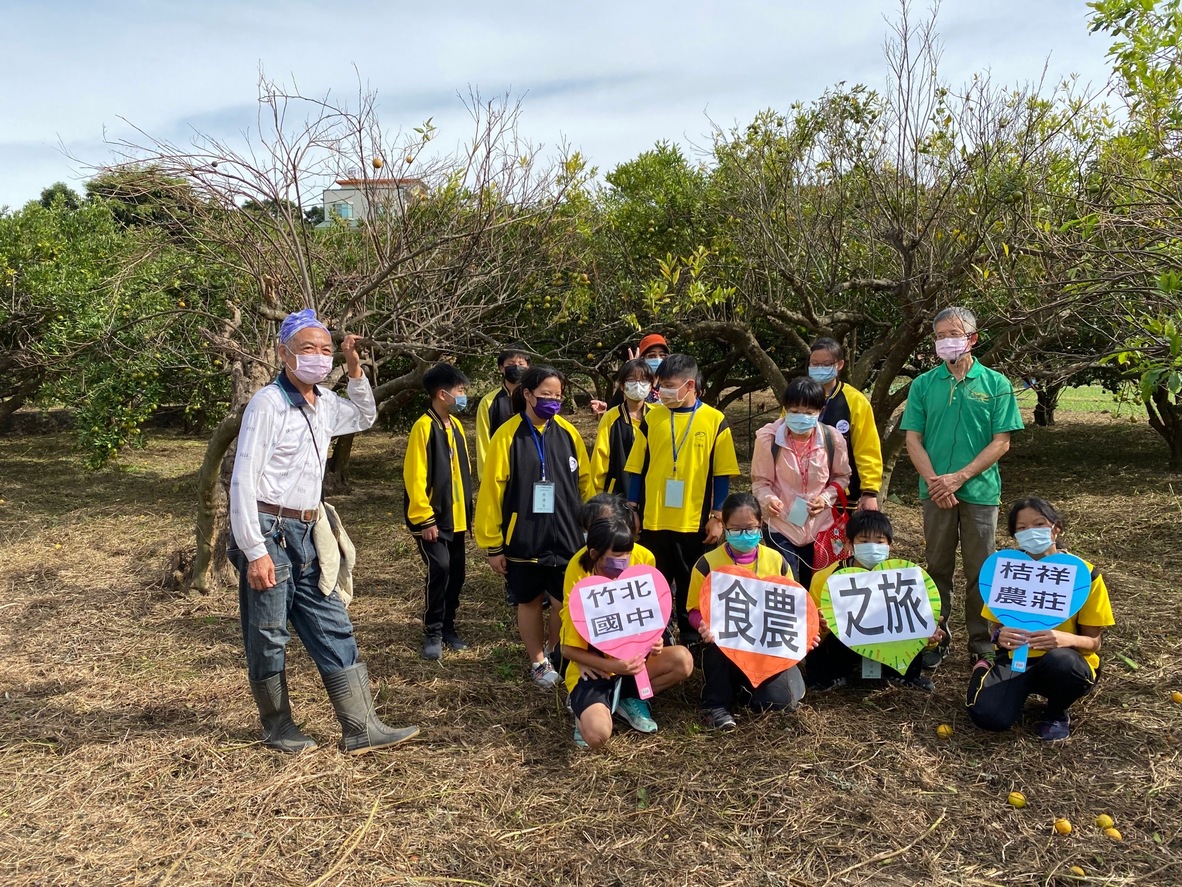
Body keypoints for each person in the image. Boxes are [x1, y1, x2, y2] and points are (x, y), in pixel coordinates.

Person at [228, 308, 418, 754]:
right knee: (269, 631)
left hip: (309, 533)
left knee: (332, 621)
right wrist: (253, 549)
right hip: (268, 529)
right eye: (307, 349)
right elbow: (242, 479)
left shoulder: (326, 403)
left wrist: (354, 370)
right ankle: (277, 727)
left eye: (325, 350)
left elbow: (365, 416)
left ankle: (362, 727)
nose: (317, 357)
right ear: (283, 353)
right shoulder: (268, 404)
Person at [900, 307, 1025, 669]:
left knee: (980, 570)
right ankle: (934, 636)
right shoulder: (924, 384)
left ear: (972, 338)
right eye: (938, 336)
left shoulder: (996, 385)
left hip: (980, 492)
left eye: (951, 334)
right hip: (935, 492)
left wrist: (959, 477)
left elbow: (1001, 442)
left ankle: (981, 642)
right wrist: (937, 483)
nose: (944, 341)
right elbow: (913, 439)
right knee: (936, 567)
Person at [475, 365, 592, 688]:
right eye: (545, 396)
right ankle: (537, 661)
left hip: (567, 536)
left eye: (558, 396)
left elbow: (586, 483)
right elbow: (491, 492)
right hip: (523, 536)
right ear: (527, 394)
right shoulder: (507, 435)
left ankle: (556, 652)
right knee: (528, 600)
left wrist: (590, 527)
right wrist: (493, 544)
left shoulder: (569, 433)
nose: (553, 402)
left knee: (561, 600)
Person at [967, 498, 1114, 740]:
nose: (1031, 532)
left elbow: (1094, 642)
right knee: (989, 717)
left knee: (1062, 662)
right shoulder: (1007, 570)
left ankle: (1056, 712)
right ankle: (984, 669)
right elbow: (996, 628)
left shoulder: (1085, 574)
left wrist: (1064, 639)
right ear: (1014, 535)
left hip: (1065, 662)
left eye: (1039, 524)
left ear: (1056, 527)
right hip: (1017, 659)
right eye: (1022, 528)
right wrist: (998, 635)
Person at [624, 353, 740, 642]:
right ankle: (657, 634)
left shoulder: (715, 420)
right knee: (656, 579)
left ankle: (691, 636)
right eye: (660, 385)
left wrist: (717, 517)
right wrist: (632, 508)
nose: (662, 391)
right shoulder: (652, 419)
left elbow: (721, 475)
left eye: (669, 385)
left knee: (692, 582)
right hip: (655, 519)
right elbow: (637, 468)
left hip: (694, 521)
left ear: (690, 385)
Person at [560, 516, 693, 749]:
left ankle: (626, 698)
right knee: (598, 735)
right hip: (595, 674)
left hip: (632, 669)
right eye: (615, 557)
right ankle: (582, 708)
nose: (623, 562)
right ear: (594, 555)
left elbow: (650, 631)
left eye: (627, 555)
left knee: (683, 661)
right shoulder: (585, 594)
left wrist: (655, 643)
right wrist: (611, 667)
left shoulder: (636, 588)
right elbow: (567, 649)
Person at [687, 493, 811, 730]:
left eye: (750, 528)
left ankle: (752, 690)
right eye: (736, 529)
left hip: (767, 647)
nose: (744, 535)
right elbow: (693, 609)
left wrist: (806, 632)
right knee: (718, 646)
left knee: (777, 703)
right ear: (724, 527)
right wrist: (703, 624)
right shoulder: (707, 564)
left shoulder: (777, 561)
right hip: (726, 646)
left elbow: (794, 609)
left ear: (761, 525)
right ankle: (715, 706)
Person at [805, 510, 943, 693]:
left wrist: (929, 637)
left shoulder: (905, 577)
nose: (872, 547)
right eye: (864, 541)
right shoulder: (827, 577)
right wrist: (820, 626)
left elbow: (918, 620)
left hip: (887, 645)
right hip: (843, 646)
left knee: (904, 617)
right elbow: (811, 626)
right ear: (848, 544)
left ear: (889, 546)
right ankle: (831, 676)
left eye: (879, 541)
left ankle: (904, 674)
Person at [750, 377, 851, 593]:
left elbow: (842, 477)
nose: (801, 417)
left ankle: (815, 626)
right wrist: (768, 500)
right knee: (787, 587)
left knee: (816, 587)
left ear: (820, 411)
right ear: (785, 410)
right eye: (795, 411)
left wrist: (825, 498)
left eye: (808, 412)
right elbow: (760, 482)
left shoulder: (833, 439)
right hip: (781, 525)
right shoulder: (768, 439)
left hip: (820, 526)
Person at [402, 362, 474, 661]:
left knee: (457, 572)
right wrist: (425, 518)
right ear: (442, 394)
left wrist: (468, 514)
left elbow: (462, 472)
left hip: (456, 517)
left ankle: (448, 626)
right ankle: (431, 631)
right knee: (440, 569)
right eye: (460, 391)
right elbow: (415, 476)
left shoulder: (455, 426)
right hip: (433, 519)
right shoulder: (424, 427)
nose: (463, 396)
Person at [807, 338, 883, 513]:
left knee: (840, 540)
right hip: (803, 495)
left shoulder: (855, 401)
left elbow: (867, 448)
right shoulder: (798, 397)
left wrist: (869, 491)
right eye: (814, 363)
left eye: (826, 364)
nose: (819, 368)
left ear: (840, 364)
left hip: (842, 497)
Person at [590, 358, 655, 496]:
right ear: (622, 386)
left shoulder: (656, 416)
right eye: (631, 380)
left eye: (643, 380)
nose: (638, 385)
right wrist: (595, 498)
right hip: (618, 495)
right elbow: (599, 462)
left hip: (651, 493)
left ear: (651, 386)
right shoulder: (611, 418)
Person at [475, 348, 531, 482]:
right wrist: (486, 478)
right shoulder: (488, 402)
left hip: (529, 467)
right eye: (511, 364)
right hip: (499, 472)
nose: (516, 367)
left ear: (528, 367)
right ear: (501, 368)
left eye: (521, 363)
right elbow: (483, 442)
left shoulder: (533, 399)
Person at [592, 333, 668, 415]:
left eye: (662, 355)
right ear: (642, 359)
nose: (658, 359)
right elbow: (614, 411)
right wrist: (631, 371)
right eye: (651, 356)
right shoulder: (631, 384)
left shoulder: (670, 384)